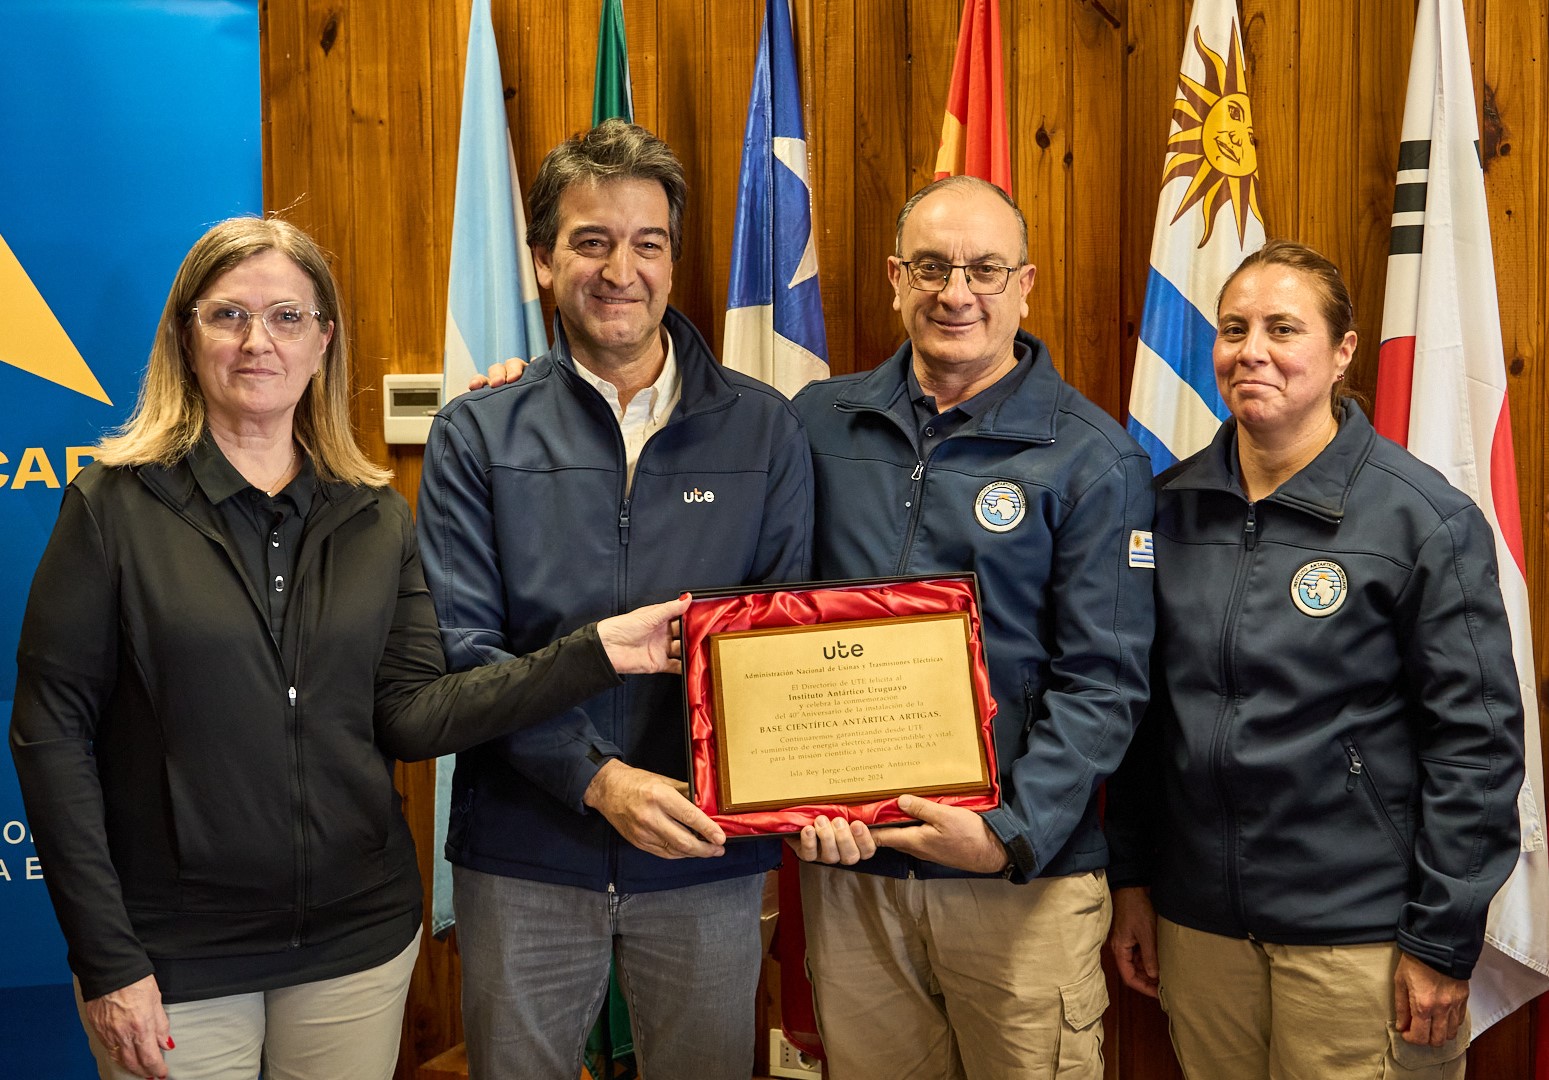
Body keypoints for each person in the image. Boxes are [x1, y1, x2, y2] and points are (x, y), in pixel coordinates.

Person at [8, 215, 689, 1080]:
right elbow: (50, 737)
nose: (259, 341)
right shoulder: (111, 507)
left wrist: (593, 653)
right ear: (186, 335)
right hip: (174, 955)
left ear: (323, 341)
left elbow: (410, 715)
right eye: (228, 315)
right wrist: (109, 960)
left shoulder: (374, 514)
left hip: (353, 947)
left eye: (288, 317)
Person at [416, 119, 812, 1080]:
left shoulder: (765, 430)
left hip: (705, 850)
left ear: (675, 259)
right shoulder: (477, 431)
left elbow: (783, 642)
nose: (618, 269)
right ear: (544, 259)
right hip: (524, 849)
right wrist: (597, 780)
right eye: (590, 241)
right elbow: (464, 653)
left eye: (646, 243)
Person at [1104, 240, 1525, 1079]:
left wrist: (1441, 943)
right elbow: (1142, 722)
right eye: (1232, 328)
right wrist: (1134, 884)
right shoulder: (1164, 511)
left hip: (1359, 940)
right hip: (1198, 931)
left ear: (1340, 352)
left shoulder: (1421, 521)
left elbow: (1474, 748)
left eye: (1282, 328)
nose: (1249, 349)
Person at [787, 174, 1156, 1078]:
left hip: (1018, 884)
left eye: (985, 269)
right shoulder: (811, 423)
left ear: (1024, 284)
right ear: (893, 278)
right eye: (932, 267)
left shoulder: (1092, 456)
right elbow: (758, 613)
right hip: (855, 872)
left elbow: (1105, 680)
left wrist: (1005, 832)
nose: (957, 292)